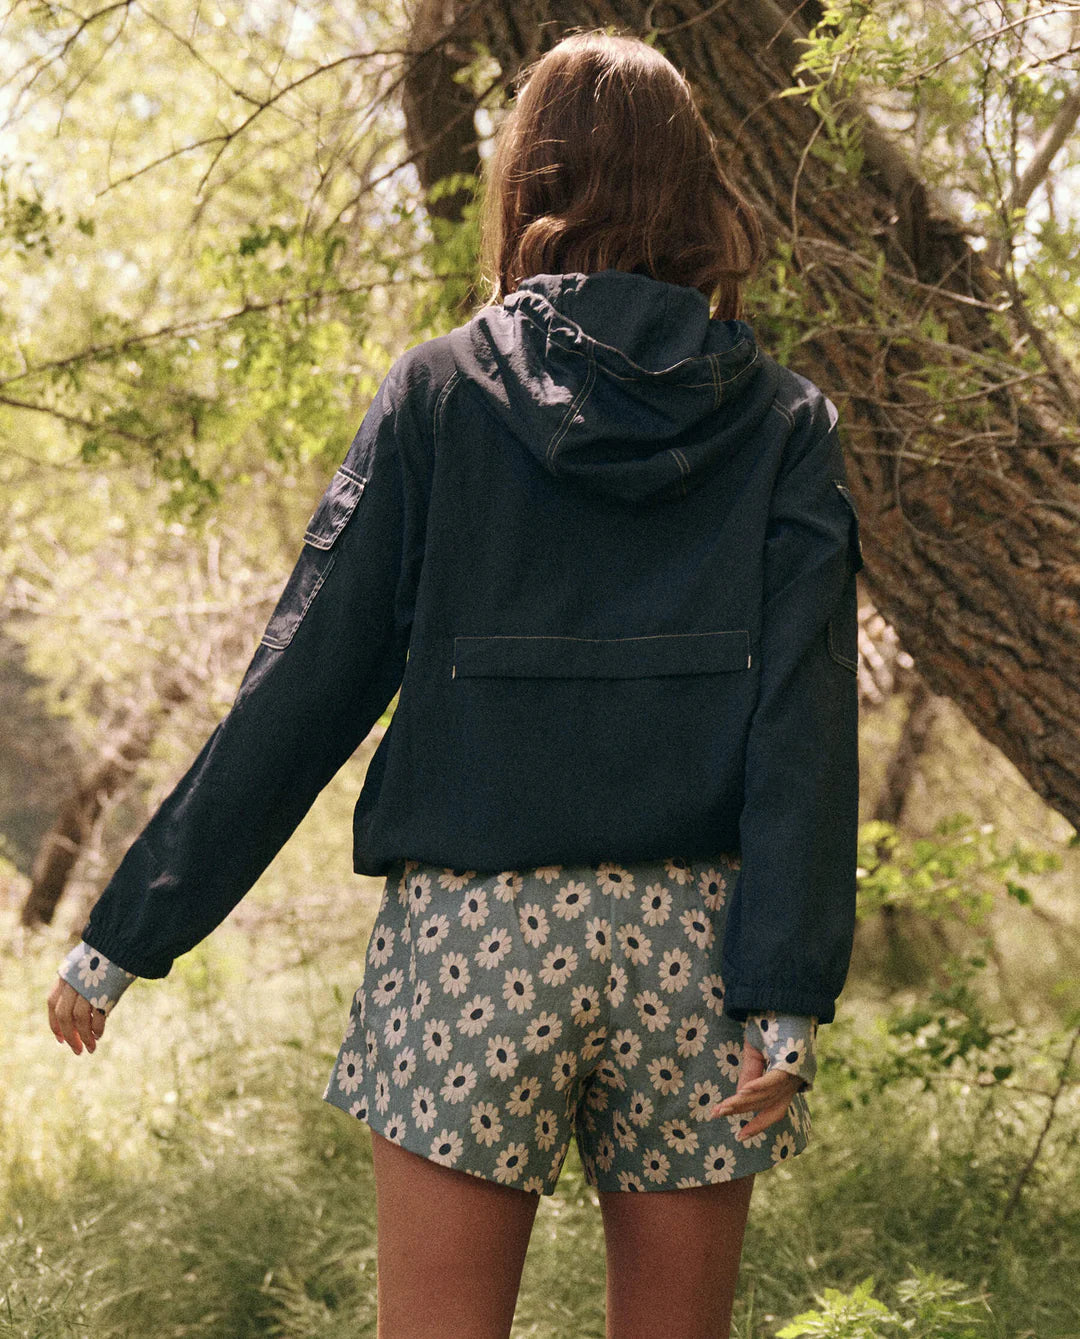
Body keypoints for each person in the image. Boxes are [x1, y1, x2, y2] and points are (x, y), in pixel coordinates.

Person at [46, 27, 862, 1339]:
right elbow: (807, 721)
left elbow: (307, 682)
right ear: (697, 187)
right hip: (698, 955)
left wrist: (126, 936)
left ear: (528, 182)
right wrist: (787, 991)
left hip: (473, 943)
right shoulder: (787, 425)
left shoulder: (438, 395)